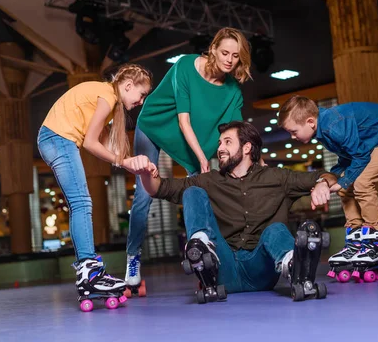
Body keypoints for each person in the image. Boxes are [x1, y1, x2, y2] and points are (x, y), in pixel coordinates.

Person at [135, 121, 334, 297]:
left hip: (261, 271)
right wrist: (145, 173)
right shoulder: (211, 180)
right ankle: (201, 247)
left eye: (227, 142)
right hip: (224, 268)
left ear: (247, 147)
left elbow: (326, 175)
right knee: (192, 191)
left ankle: (294, 267)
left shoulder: (277, 178)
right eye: (220, 143)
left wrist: (323, 183)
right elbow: (159, 188)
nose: (220, 148)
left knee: (274, 230)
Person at [125, 27, 252, 290]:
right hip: (155, 125)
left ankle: (204, 261)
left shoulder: (232, 91)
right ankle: (132, 259)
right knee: (144, 195)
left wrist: (255, 159)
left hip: (190, 141)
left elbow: (237, 131)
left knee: (201, 193)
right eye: (225, 52)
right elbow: (183, 121)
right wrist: (202, 161)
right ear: (213, 48)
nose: (229, 60)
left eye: (236, 56)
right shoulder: (185, 65)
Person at [37, 63, 157, 298]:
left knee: (80, 203)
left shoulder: (106, 98)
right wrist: (122, 162)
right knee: (81, 203)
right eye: (141, 95)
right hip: (58, 138)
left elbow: (104, 145)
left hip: (53, 139)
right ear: (129, 86)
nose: (141, 101)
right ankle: (89, 274)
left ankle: (88, 270)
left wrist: (133, 163)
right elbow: (91, 143)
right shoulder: (108, 96)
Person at [278, 96, 378, 280]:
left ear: (310, 122)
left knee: (362, 182)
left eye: (293, 131)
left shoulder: (333, 125)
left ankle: (376, 241)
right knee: (344, 187)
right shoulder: (324, 130)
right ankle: (357, 239)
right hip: (376, 142)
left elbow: (360, 157)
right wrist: (331, 182)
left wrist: (341, 181)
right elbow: (346, 159)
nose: (292, 137)